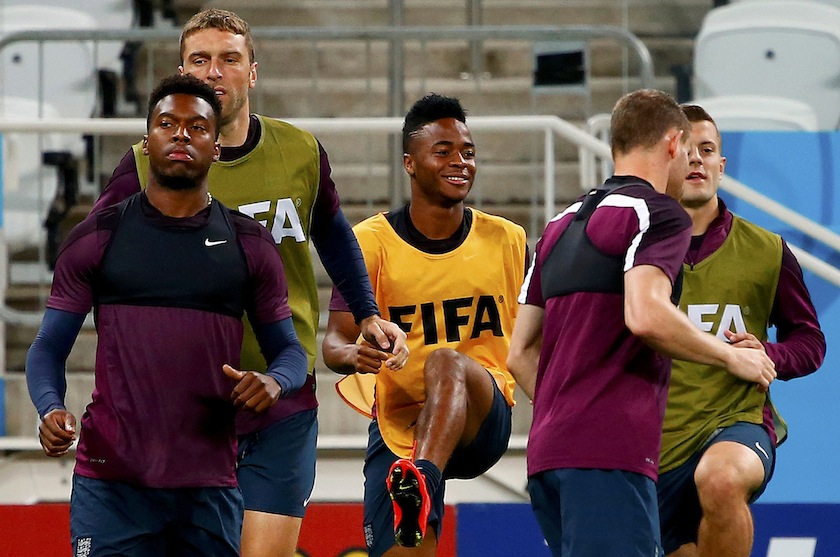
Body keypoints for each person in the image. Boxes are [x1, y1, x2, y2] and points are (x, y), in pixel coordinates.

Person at [92, 9, 408, 557]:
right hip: (181, 407)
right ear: (182, 71)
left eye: (229, 59)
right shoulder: (145, 165)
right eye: (200, 60)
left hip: (279, 394)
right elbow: (91, 262)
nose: (214, 72)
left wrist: (368, 312)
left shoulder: (301, 151)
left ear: (252, 72)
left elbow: (333, 235)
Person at [26, 74, 309, 556]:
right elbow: (48, 347)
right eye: (167, 124)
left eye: (197, 127)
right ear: (147, 140)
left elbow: (290, 352)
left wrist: (275, 382)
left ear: (217, 147)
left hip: (209, 489)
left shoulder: (250, 245)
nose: (181, 134)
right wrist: (51, 407)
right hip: (111, 485)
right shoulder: (97, 238)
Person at [506, 89, 778, 557]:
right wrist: (732, 357)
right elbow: (645, 314)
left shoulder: (558, 225)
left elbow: (519, 353)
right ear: (673, 144)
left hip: (549, 457)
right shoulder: (658, 214)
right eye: (688, 150)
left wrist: (568, 414)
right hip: (609, 456)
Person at [322, 93, 527, 557]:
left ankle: (423, 482)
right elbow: (333, 342)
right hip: (401, 423)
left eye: (468, 152)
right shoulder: (370, 242)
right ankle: (413, 490)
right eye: (444, 151)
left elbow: (540, 338)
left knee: (445, 363)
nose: (461, 162)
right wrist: (356, 354)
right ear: (410, 163)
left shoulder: (508, 240)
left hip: (481, 414)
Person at [657, 104, 826, 557]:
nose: (697, 160)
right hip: (655, 440)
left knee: (721, 479)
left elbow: (811, 342)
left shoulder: (767, 250)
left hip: (736, 422)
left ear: (721, 165)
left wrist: (769, 354)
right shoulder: (634, 252)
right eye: (686, 150)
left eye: (707, 150)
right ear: (667, 160)